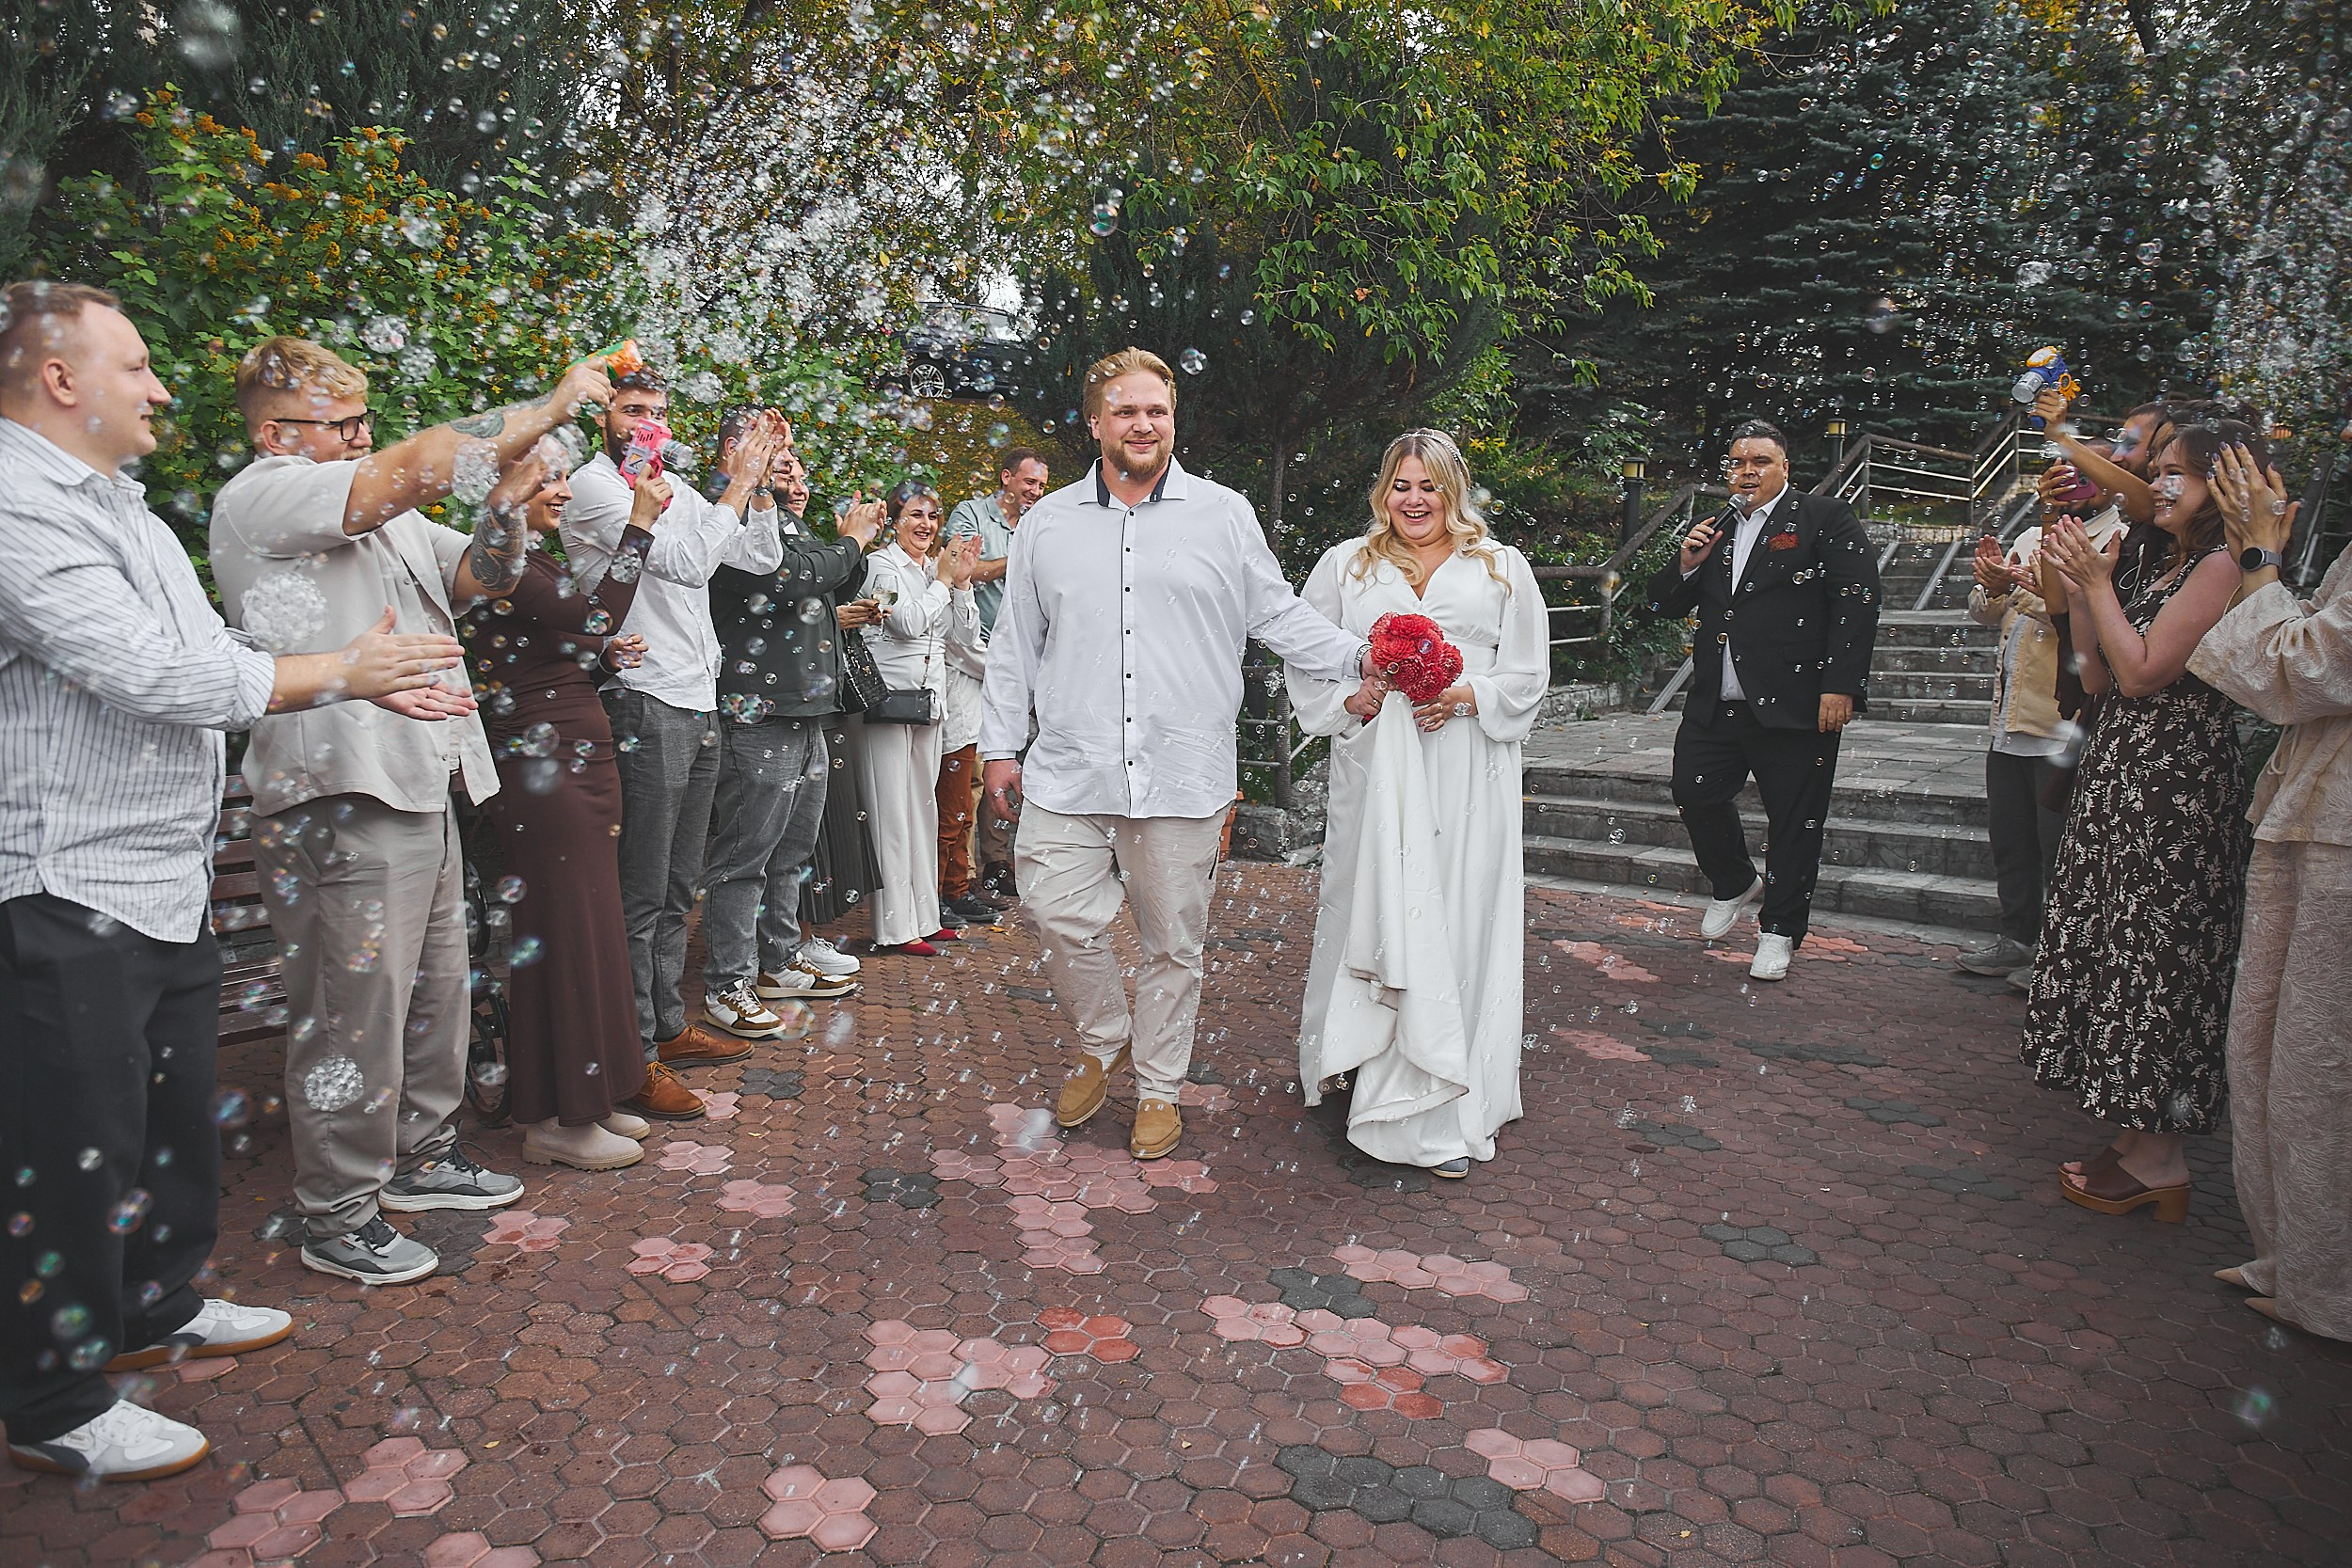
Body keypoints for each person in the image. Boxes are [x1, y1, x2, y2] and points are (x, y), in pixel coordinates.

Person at [0, 282, 466, 1478]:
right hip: (64, 876)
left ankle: (155, 1308)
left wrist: (350, 673)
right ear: (59, 379)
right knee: (72, 1143)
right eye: (139, 364)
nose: (162, 386)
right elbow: (147, 670)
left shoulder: (130, 511)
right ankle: (52, 1395)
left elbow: (215, 649)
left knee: (163, 1120)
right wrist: (345, 671)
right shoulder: (13, 499)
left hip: (161, 870)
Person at [210, 336, 615, 1285]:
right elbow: (422, 464)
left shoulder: (372, 504)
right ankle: (337, 1206)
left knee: (437, 989)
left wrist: (508, 513)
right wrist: (552, 403)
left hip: (422, 770)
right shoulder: (265, 492)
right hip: (338, 786)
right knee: (352, 1013)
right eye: (337, 424)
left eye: (362, 420)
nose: (358, 437)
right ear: (275, 431)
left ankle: (425, 1156)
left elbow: (483, 576)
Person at [980, 348, 1373, 1161]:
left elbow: (1279, 616)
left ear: (1172, 418)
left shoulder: (1223, 514)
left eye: (1155, 409)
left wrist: (1361, 659)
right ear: (1094, 424)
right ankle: (1106, 1033)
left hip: (1182, 771)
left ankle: (1158, 1087)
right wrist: (998, 745)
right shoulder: (1046, 523)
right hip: (1070, 765)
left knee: (1172, 944)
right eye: (1124, 410)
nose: (1143, 424)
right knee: (1055, 912)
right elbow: (1016, 643)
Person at [1288, 431, 1549, 1176]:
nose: (1414, 500)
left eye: (1429, 485)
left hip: (1469, 771)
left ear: (1454, 489)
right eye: (1401, 485)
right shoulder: (1348, 563)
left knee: (1458, 909)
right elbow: (1309, 657)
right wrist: (1357, 693)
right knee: (1365, 904)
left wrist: (1463, 694)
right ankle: (1357, 1057)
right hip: (1374, 768)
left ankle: (1442, 1092)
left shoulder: (1501, 567)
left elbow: (1529, 675)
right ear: (1383, 489)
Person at [2021, 421, 2256, 1223]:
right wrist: (2087, 584)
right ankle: (2133, 1129)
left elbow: (2148, 671)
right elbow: (2095, 669)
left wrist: (2094, 586)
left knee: (2159, 953)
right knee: (2119, 943)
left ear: (2221, 486)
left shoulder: (2225, 564)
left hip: (2176, 789)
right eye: (2156, 472)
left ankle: (2163, 1151)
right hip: (2125, 773)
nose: (2157, 486)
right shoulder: (2173, 558)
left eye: (2175, 476)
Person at [462, 442, 692, 1164]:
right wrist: (641, 526)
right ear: (504, 488)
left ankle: (602, 1089)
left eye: (564, 476)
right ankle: (555, 1121)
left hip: (574, 758)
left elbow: (565, 639)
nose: (561, 491)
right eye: (547, 478)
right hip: (541, 766)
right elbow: (596, 617)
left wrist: (595, 654)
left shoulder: (537, 559)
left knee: (592, 924)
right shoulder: (500, 563)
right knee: (560, 931)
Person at [559, 383, 787, 1075]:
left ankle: (664, 1024)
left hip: (698, 696)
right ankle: (632, 1046)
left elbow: (759, 557)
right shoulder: (596, 488)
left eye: (658, 414)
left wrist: (763, 488)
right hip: (642, 696)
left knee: (680, 879)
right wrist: (736, 483)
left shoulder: (672, 486)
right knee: (643, 882)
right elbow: (688, 562)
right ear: (603, 420)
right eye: (634, 411)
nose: (649, 425)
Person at [2188, 444, 2351, 1338]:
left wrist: (2258, 558)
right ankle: (2296, 1256)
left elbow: (2300, 671)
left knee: (2320, 1068)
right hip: (2315, 817)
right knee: (2274, 1051)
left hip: (2341, 832)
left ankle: (2327, 1286)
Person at [1641, 420, 1882, 981]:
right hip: (1715, 703)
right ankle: (1733, 880)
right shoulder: (1716, 529)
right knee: (1692, 793)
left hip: (1797, 703)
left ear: (1784, 468)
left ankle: (1780, 930)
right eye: (1738, 463)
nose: (1747, 472)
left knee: (1795, 820)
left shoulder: (1824, 519)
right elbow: (1663, 606)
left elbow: (1858, 603)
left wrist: (1841, 685)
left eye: (1760, 462)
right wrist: (1685, 565)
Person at [701, 446, 883, 1031]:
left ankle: (777, 958)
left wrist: (850, 548)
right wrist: (850, 544)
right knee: (745, 854)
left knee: (793, 851)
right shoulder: (729, 519)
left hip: (807, 709)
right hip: (759, 711)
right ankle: (727, 979)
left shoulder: (792, 524)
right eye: (784, 470)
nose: (798, 483)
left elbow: (828, 584)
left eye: (803, 472)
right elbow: (789, 578)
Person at [1955, 448, 2119, 990]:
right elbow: (1983, 612)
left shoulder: (2116, 536)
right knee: (2012, 838)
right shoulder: (2033, 536)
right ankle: (2017, 937)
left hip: (2060, 719)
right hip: (2008, 718)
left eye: (2088, 473)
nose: (2075, 482)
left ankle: (2059, 953)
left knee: (2058, 843)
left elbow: (2091, 621)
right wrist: (1994, 585)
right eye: (2067, 471)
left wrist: (2040, 590)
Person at [857, 482, 982, 955]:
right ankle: (894, 927)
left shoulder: (936, 570)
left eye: (932, 516)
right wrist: (944, 584)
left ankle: (925, 917)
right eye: (914, 515)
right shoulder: (880, 566)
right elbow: (906, 621)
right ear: (893, 520)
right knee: (891, 812)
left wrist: (964, 584)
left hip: (929, 703)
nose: (926, 525)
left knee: (923, 811)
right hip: (888, 702)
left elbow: (963, 636)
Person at [948, 448, 1050, 900]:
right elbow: (959, 570)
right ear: (1007, 478)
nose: (1036, 492)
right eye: (1029, 483)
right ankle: (960, 874)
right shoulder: (970, 513)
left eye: (1042, 486)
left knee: (1015, 758)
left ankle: (997, 862)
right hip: (973, 654)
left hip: (1024, 659)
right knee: (973, 765)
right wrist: (1020, 559)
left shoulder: (1042, 521)